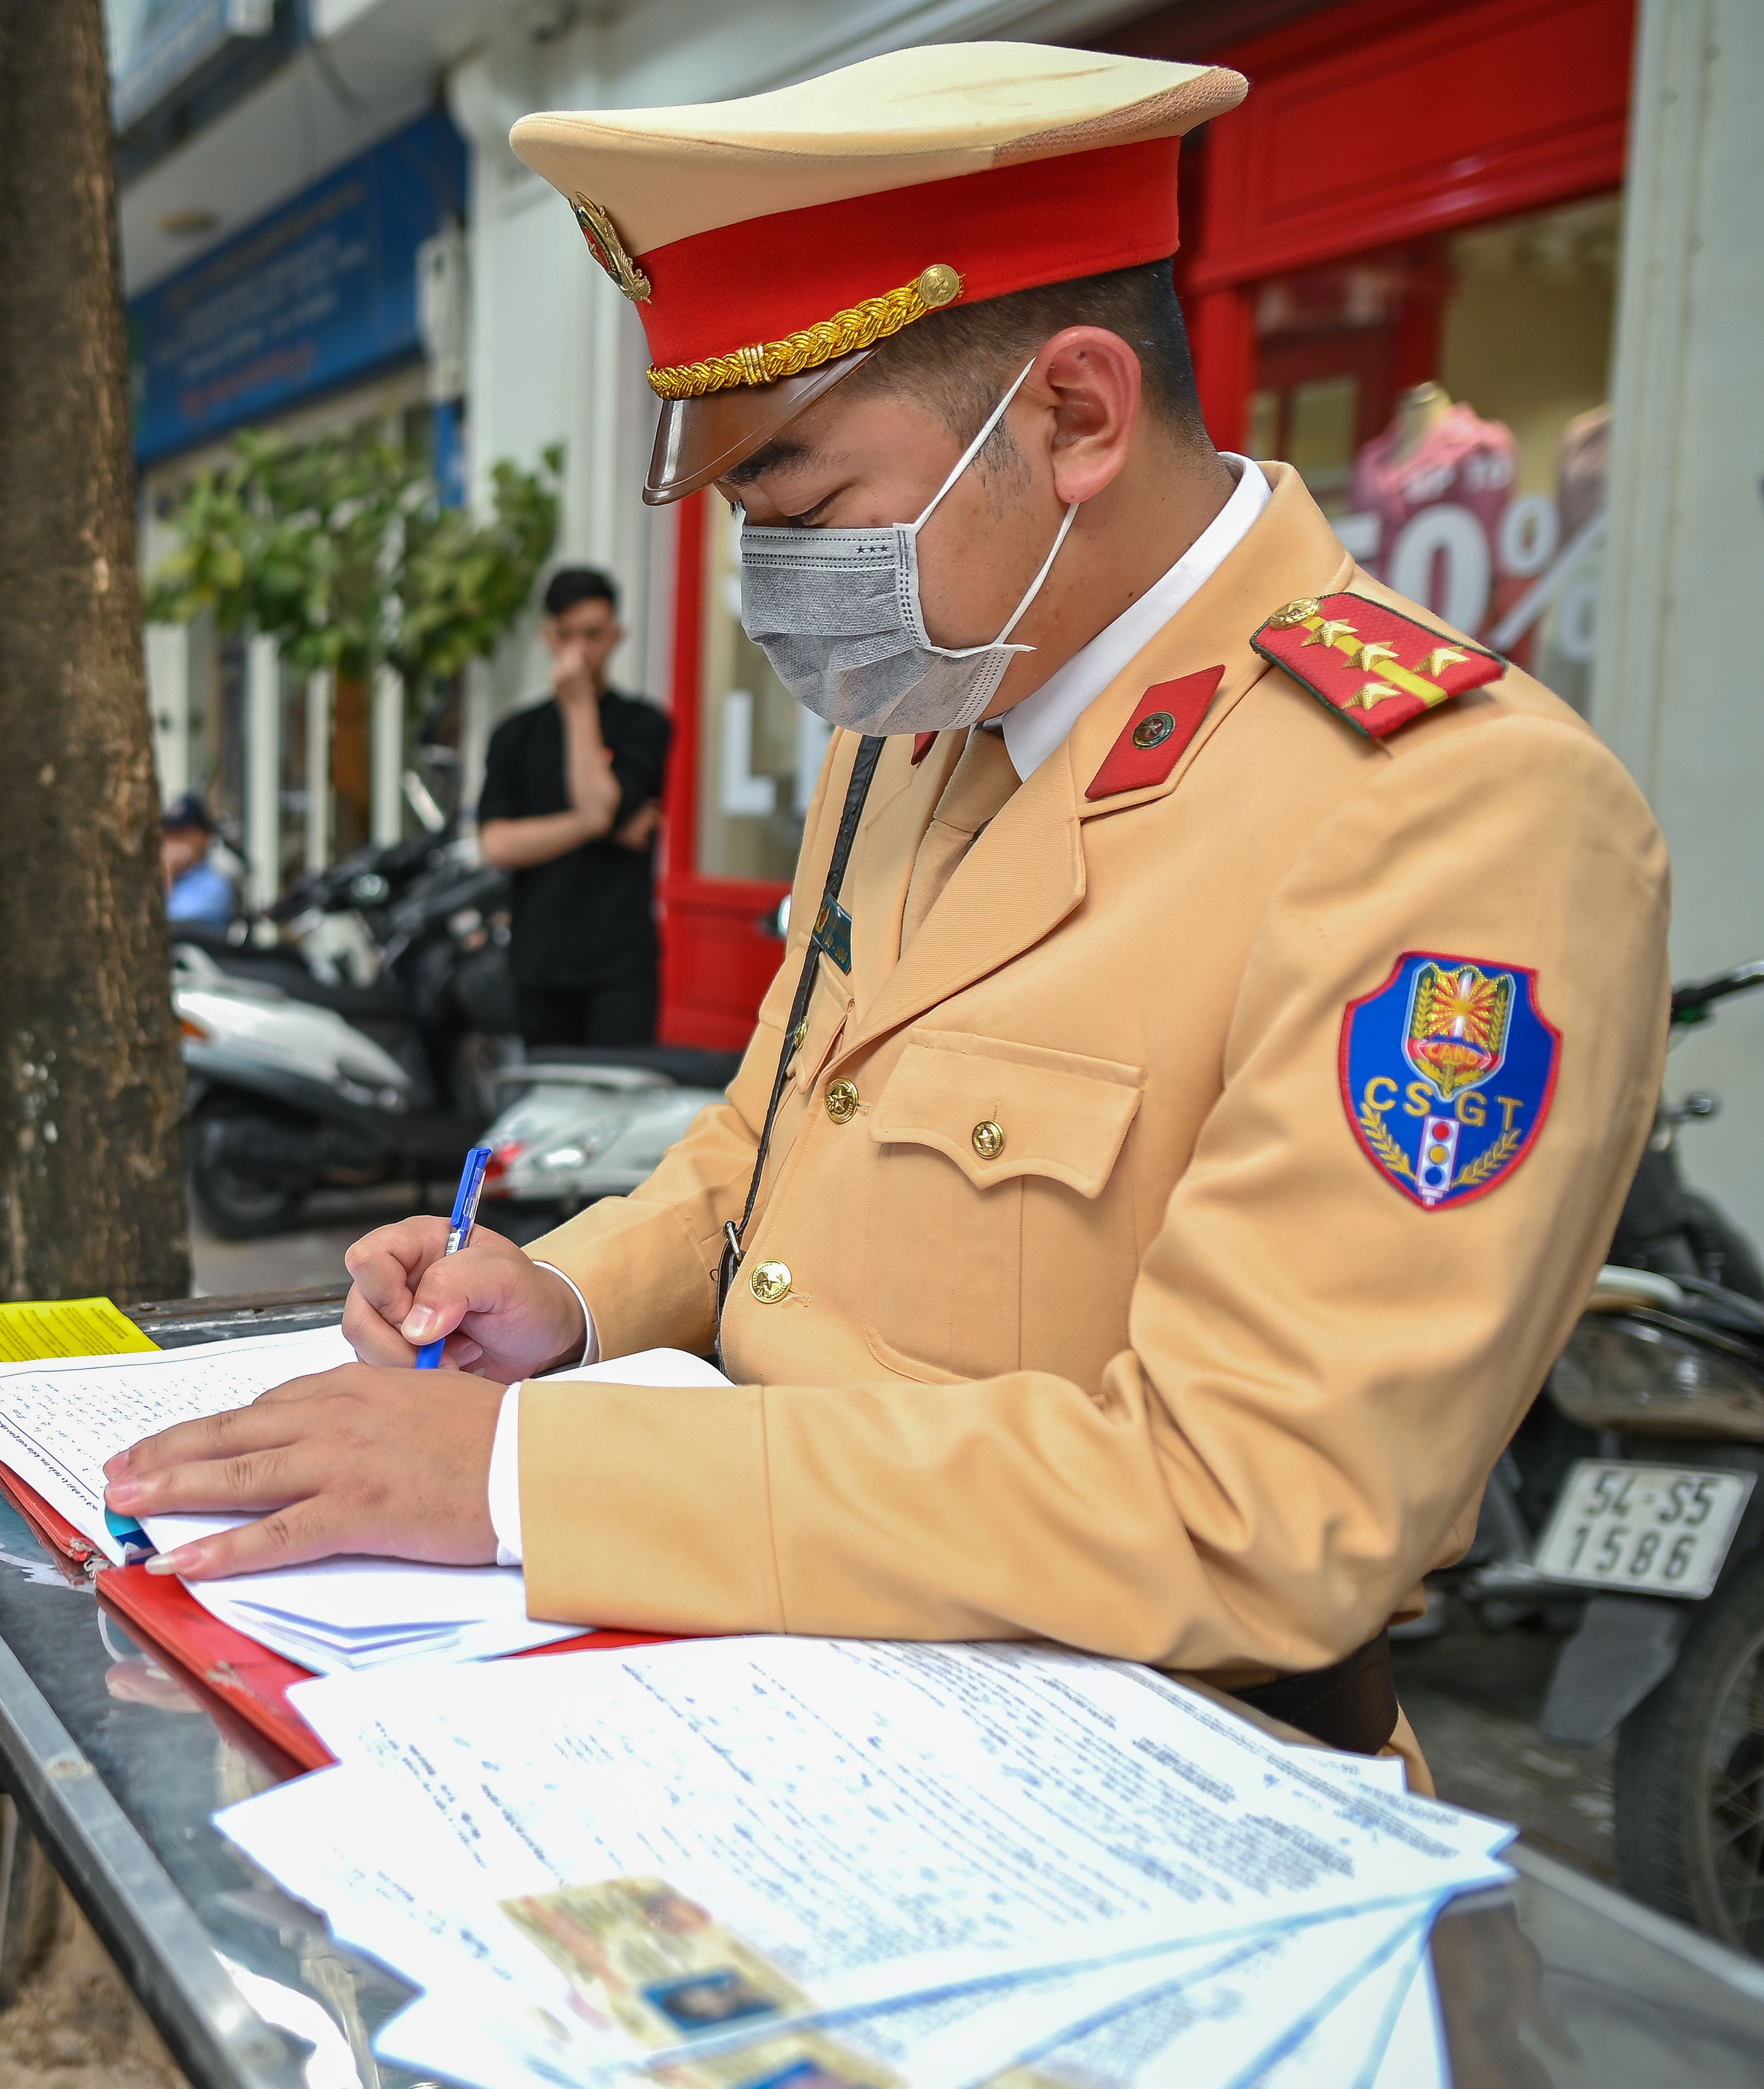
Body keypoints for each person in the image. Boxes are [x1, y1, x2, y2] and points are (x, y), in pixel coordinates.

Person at [103, 42, 1671, 1780]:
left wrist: (513, 1479)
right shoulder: (926, 724)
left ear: (1073, 416)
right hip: (786, 1708)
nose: (773, 586)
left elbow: (1257, 1502)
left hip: (1132, 1799)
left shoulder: (1445, 812)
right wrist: (559, 1294)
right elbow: (766, 1152)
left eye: (810, 511)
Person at [477, 568, 672, 1046]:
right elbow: (497, 844)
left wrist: (580, 707)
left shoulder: (643, 725)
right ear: (548, 636)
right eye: (566, 636)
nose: (580, 652)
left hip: (619, 967)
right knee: (546, 1106)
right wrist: (593, 826)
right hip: (541, 961)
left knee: (619, 1106)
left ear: (617, 635)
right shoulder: (515, 735)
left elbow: (598, 803)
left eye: (593, 635)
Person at [163, 793, 237, 928]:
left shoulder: (216, 885)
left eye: (182, 832)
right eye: (169, 832)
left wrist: (168, 875)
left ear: (205, 835)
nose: (173, 841)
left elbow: (169, 923)